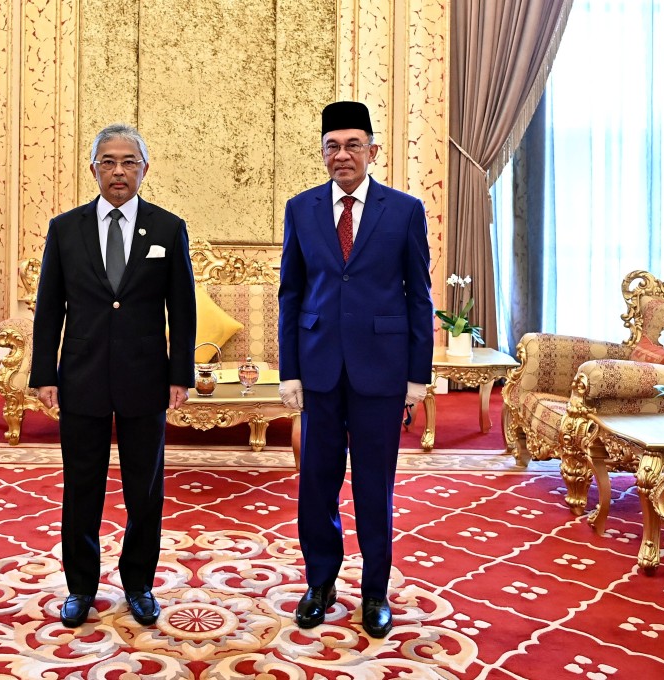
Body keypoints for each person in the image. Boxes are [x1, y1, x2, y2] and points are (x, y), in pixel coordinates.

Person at [30, 123, 197, 628]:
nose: (119, 171)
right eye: (108, 161)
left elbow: (182, 309)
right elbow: (48, 308)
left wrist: (180, 374)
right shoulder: (65, 229)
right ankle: (80, 587)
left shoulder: (168, 228)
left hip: (146, 378)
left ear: (145, 169)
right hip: (80, 375)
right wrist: (44, 373)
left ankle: (139, 584)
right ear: (93, 169)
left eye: (129, 161)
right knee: (82, 487)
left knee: (144, 489)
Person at [277, 101, 434, 638]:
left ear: (373, 150)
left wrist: (417, 376)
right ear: (322, 153)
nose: (342, 155)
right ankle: (319, 584)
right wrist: (289, 370)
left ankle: (374, 592)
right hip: (318, 369)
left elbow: (419, 297)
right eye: (332, 146)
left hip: (381, 373)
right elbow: (291, 294)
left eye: (352, 145)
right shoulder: (300, 209)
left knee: (374, 486)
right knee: (316, 485)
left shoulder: (405, 210)